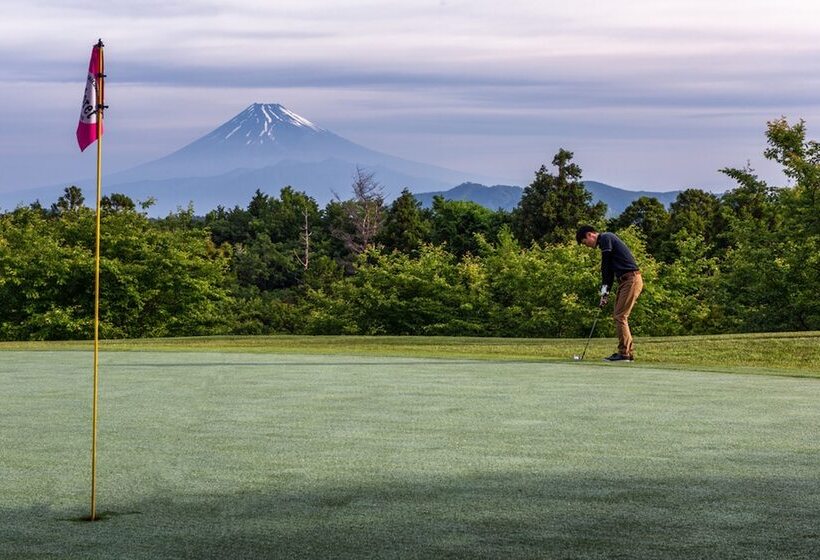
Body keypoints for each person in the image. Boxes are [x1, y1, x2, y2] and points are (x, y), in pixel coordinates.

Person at [576, 225, 643, 362]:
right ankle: (626, 353)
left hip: (631, 279)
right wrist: (604, 295)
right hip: (625, 281)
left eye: (584, 242)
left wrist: (604, 293)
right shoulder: (605, 243)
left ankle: (624, 354)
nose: (587, 246)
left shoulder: (606, 237)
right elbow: (608, 275)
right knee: (619, 316)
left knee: (620, 316)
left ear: (590, 235)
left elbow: (605, 268)